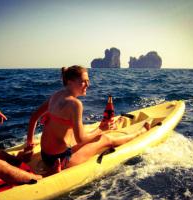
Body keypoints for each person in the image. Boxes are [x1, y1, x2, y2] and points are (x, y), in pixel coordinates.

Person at [19, 65, 150, 171]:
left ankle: (113, 126)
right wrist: (101, 129)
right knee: (105, 138)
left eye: (88, 81)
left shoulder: (56, 95)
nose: (88, 84)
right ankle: (141, 132)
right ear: (70, 82)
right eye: (83, 81)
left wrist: (29, 144)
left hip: (46, 155)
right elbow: (80, 139)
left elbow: (34, 117)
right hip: (60, 160)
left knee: (90, 134)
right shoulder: (75, 104)